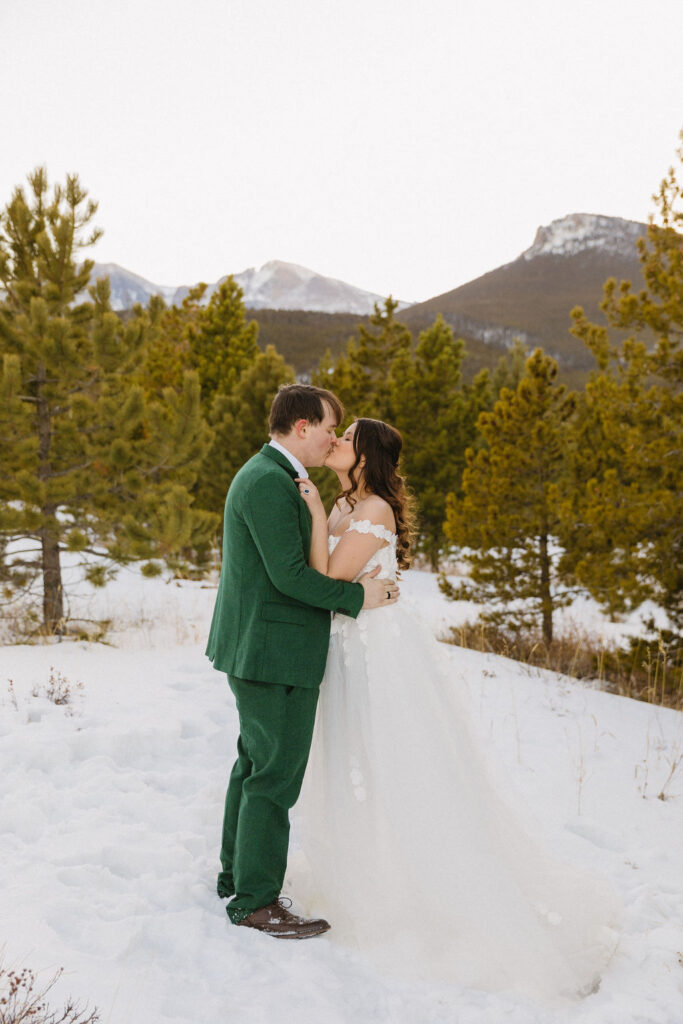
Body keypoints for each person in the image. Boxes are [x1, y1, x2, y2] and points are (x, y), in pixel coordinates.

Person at [293, 417, 621, 1004]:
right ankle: (365, 874)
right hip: (348, 645)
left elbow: (329, 575)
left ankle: (438, 891)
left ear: (365, 455)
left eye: (346, 437)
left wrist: (316, 512)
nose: (336, 441)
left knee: (402, 769)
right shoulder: (351, 501)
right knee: (352, 764)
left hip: (378, 655)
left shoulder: (371, 512)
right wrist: (324, 509)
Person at [205, 385, 399, 939]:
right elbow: (290, 578)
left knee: (253, 765)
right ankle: (255, 902)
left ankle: (235, 878)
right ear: (302, 426)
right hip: (274, 651)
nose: (335, 437)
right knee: (273, 776)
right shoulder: (269, 481)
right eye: (331, 427)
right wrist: (361, 599)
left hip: (265, 646)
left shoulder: (277, 476)